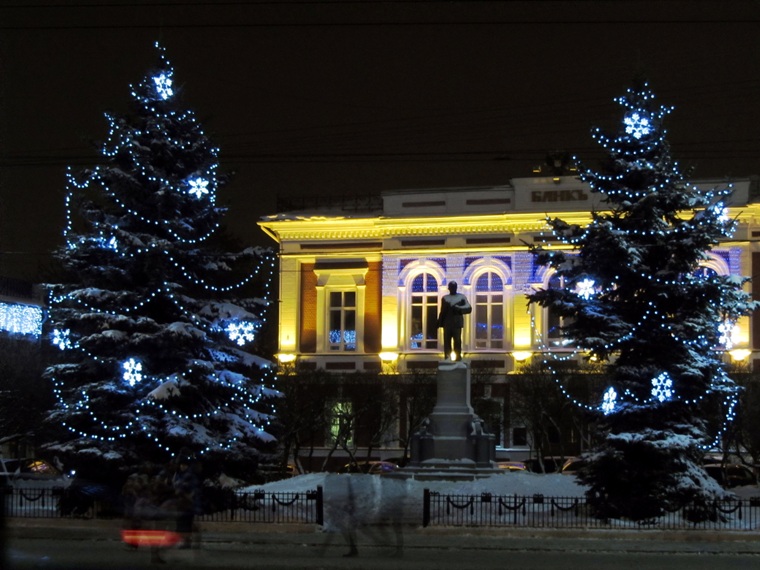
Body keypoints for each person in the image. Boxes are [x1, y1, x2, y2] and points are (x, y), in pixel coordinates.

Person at [436, 281, 471, 361]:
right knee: (447, 341)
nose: (452, 289)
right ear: (449, 288)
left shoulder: (461, 297)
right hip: (447, 323)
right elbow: (442, 311)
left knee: (457, 341)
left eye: (454, 287)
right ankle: (447, 357)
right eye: (451, 287)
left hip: (457, 323)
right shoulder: (445, 298)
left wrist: (459, 308)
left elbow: (468, 308)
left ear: (456, 288)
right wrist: (439, 322)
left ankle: (458, 357)